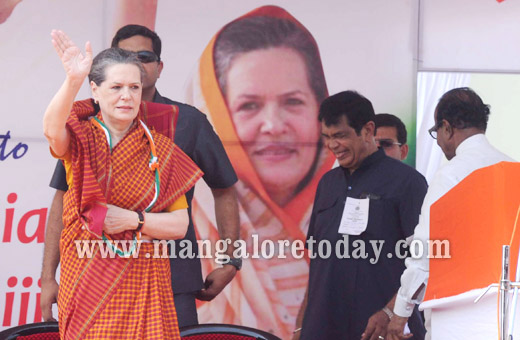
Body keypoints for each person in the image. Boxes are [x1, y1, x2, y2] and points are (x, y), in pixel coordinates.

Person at [40, 24, 240, 328]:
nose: (127, 94)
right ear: (96, 87)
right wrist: (47, 276)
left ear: (157, 68)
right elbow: (63, 194)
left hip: (166, 277)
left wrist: (231, 259)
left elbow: (224, 189)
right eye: (116, 86)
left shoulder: (182, 125)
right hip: (89, 275)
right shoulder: (83, 131)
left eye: (142, 58)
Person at [185, 5, 336, 338]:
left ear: (318, 109)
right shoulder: (184, 225)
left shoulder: (342, 203)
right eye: (249, 105)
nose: (273, 125)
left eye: (293, 101)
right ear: (218, 115)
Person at [295, 91, 427, 340]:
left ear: (367, 130)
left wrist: (391, 312)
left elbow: (425, 262)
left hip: (380, 330)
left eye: (341, 136)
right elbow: (318, 263)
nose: (333, 145)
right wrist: (302, 325)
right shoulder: (327, 183)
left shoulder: (408, 183)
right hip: (322, 328)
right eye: (327, 137)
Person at [387, 87, 516, 340]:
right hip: (507, 316)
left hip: (457, 316)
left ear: (446, 128)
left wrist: (400, 313)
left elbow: (425, 250)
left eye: (437, 132)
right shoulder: (514, 171)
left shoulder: (451, 175)